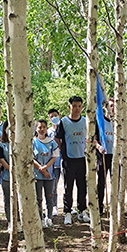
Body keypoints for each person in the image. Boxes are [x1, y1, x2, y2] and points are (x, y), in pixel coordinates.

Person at [55, 96, 90, 225]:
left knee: (82, 186)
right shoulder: (63, 122)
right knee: (68, 187)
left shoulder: (85, 121)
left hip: (82, 158)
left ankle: (82, 211)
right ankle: (68, 212)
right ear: (69, 106)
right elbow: (57, 139)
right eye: (74, 106)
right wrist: (63, 151)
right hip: (68, 159)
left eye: (79, 106)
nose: (77, 109)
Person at [33, 119, 59, 227]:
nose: (42, 129)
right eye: (39, 127)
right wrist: (41, 169)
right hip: (37, 175)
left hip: (50, 175)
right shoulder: (33, 142)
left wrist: (46, 168)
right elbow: (31, 158)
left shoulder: (52, 142)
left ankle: (49, 218)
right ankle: (41, 218)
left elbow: (54, 157)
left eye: (44, 127)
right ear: (36, 129)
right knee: (38, 198)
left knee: (49, 197)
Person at [95, 99, 115, 215]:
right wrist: (98, 147)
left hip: (114, 155)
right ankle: (99, 207)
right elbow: (94, 138)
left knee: (115, 181)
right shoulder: (100, 121)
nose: (111, 108)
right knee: (101, 182)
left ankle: (114, 205)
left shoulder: (117, 122)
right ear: (105, 107)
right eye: (109, 106)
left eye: (113, 106)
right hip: (103, 155)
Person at [47, 108, 62, 216]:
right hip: (54, 163)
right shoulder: (48, 132)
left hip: (65, 160)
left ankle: (68, 206)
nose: (54, 118)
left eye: (55, 115)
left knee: (67, 185)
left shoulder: (64, 128)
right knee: (53, 186)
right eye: (51, 117)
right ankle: (54, 205)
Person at [0, 121, 12, 222]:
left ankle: (21, 220)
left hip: (22, 176)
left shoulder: (21, 141)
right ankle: (11, 221)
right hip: (7, 176)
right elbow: (1, 158)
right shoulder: (0, 143)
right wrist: (11, 169)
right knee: (8, 199)